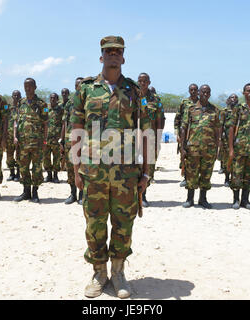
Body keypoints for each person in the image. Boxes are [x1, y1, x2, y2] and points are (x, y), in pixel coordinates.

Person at [71, 36, 148, 299]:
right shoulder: (86, 89)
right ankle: (99, 273)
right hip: (93, 171)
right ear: (101, 56)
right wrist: (75, 167)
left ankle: (117, 272)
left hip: (126, 173)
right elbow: (77, 128)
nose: (113, 55)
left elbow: (145, 132)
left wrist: (146, 172)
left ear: (124, 57)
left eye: (118, 52)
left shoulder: (134, 91)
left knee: (123, 223)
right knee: (95, 224)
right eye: (108, 52)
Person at [180, 85, 220, 209]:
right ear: (199, 93)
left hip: (209, 148)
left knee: (206, 174)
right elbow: (184, 127)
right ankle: (190, 199)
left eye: (208, 92)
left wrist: (218, 148)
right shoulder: (191, 108)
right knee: (191, 173)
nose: (205, 94)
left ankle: (203, 199)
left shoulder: (214, 110)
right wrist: (182, 147)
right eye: (203, 92)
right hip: (193, 148)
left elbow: (218, 130)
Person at [228, 83, 250, 210]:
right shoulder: (238, 108)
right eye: (248, 90)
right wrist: (231, 148)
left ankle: (245, 200)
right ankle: (236, 199)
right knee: (237, 174)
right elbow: (231, 128)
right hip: (239, 148)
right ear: (243, 93)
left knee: (249, 175)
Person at [13, 78, 49, 203]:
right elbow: (16, 122)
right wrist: (15, 136)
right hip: (22, 143)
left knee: (37, 168)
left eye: (30, 86)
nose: (27, 89)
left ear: (35, 87)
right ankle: (26, 191)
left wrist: (44, 142)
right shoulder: (20, 103)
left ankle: (35, 192)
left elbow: (45, 124)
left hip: (37, 143)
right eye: (25, 86)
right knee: (23, 167)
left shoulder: (42, 104)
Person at [138, 72, 164, 207]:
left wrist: (158, 138)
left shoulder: (155, 99)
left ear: (149, 82)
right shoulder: (132, 97)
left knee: (147, 166)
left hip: (150, 137)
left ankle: (144, 195)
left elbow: (160, 120)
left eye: (145, 81)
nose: (142, 83)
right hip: (134, 138)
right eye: (140, 81)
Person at [60, 78, 84, 205]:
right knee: (70, 167)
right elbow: (65, 122)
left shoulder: (88, 101)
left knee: (83, 166)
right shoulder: (70, 102)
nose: (78, 87)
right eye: (76, 85)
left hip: (84, 139)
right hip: (70, 139)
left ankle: (82, 194)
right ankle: (73, 193)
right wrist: (62, 140)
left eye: (80, 84)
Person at [175, 84, 199, 187]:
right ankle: (185, 176)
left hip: (195, 135)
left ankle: (194, 178)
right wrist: (177, 133)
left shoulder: (200, 103)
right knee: (184, 156)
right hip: (183, 133)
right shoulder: (184, 103)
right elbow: (178, 118)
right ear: (189, 91)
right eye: (191, 90)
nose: (193, 91)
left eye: (195, 90)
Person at [219, 94, 238, 187]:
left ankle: (233, 178)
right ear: (229, 100)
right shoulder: (224, 111)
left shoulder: (240, 111)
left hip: (238, 139)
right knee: (227, 159)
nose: (233, 99)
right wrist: (220, 139)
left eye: (235, 98)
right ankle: (226, 177)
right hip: (226, 139)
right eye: (232, 97)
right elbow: (221, 126)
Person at [44, 93, 63, 184]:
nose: (52, 99)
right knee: (46, 157)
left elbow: (63, 123)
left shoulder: (60, 109)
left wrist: (61, 137)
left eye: (54, 98)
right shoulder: (46, 108)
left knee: (56, 157)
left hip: (56, 138)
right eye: (51, 98)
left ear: (57, 99)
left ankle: (55, 176)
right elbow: (43, 120)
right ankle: (49, 175)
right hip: (46, 137)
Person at [6, 90, 22, 182]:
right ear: (12, 96)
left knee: (19, 156)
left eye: (18, 95)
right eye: (14, 95)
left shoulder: (23, 108)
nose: (16, 97)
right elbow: (3, 119)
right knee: (9, 156)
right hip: (9, 136)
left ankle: (18, 173)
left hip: (20, 136)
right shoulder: (7, 107)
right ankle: (11, 173)